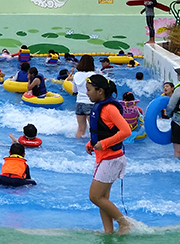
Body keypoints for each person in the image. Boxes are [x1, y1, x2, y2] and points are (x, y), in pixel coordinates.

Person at [84, 74, 134, 235]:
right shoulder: (99, 107)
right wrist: (91, 143)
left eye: (89, 90)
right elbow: (102, 131)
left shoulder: (110, 108)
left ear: (100, 91)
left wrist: (103, 144)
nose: (87, 93)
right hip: (103, 157)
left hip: (112, 159)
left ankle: (124, 224)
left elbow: (126, 131)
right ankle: (108, 231)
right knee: (103, 198)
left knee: (95, 196)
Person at [69, 55, 98, 138]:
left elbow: (74, 90)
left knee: (81, 129)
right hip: (90, 103)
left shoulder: (76, 75)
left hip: (79, 103)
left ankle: (78, 145)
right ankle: (93, 146)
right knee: (93, 129)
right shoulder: (92, 75)